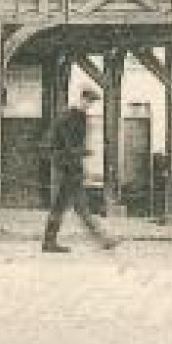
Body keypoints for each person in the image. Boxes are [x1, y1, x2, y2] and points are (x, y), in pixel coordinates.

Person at [42, 87, 119, 253]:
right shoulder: (70, 116)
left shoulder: (78, 116)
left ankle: (49, 242)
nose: (89, 105)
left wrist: (80, 153)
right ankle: (103, 238)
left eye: (91, 102)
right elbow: (65, 141)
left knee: (67, 206)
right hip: (67, 167)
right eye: (89, 101)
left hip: (71, 166)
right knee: (75, 206)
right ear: (82, 99)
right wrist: (81, 152)